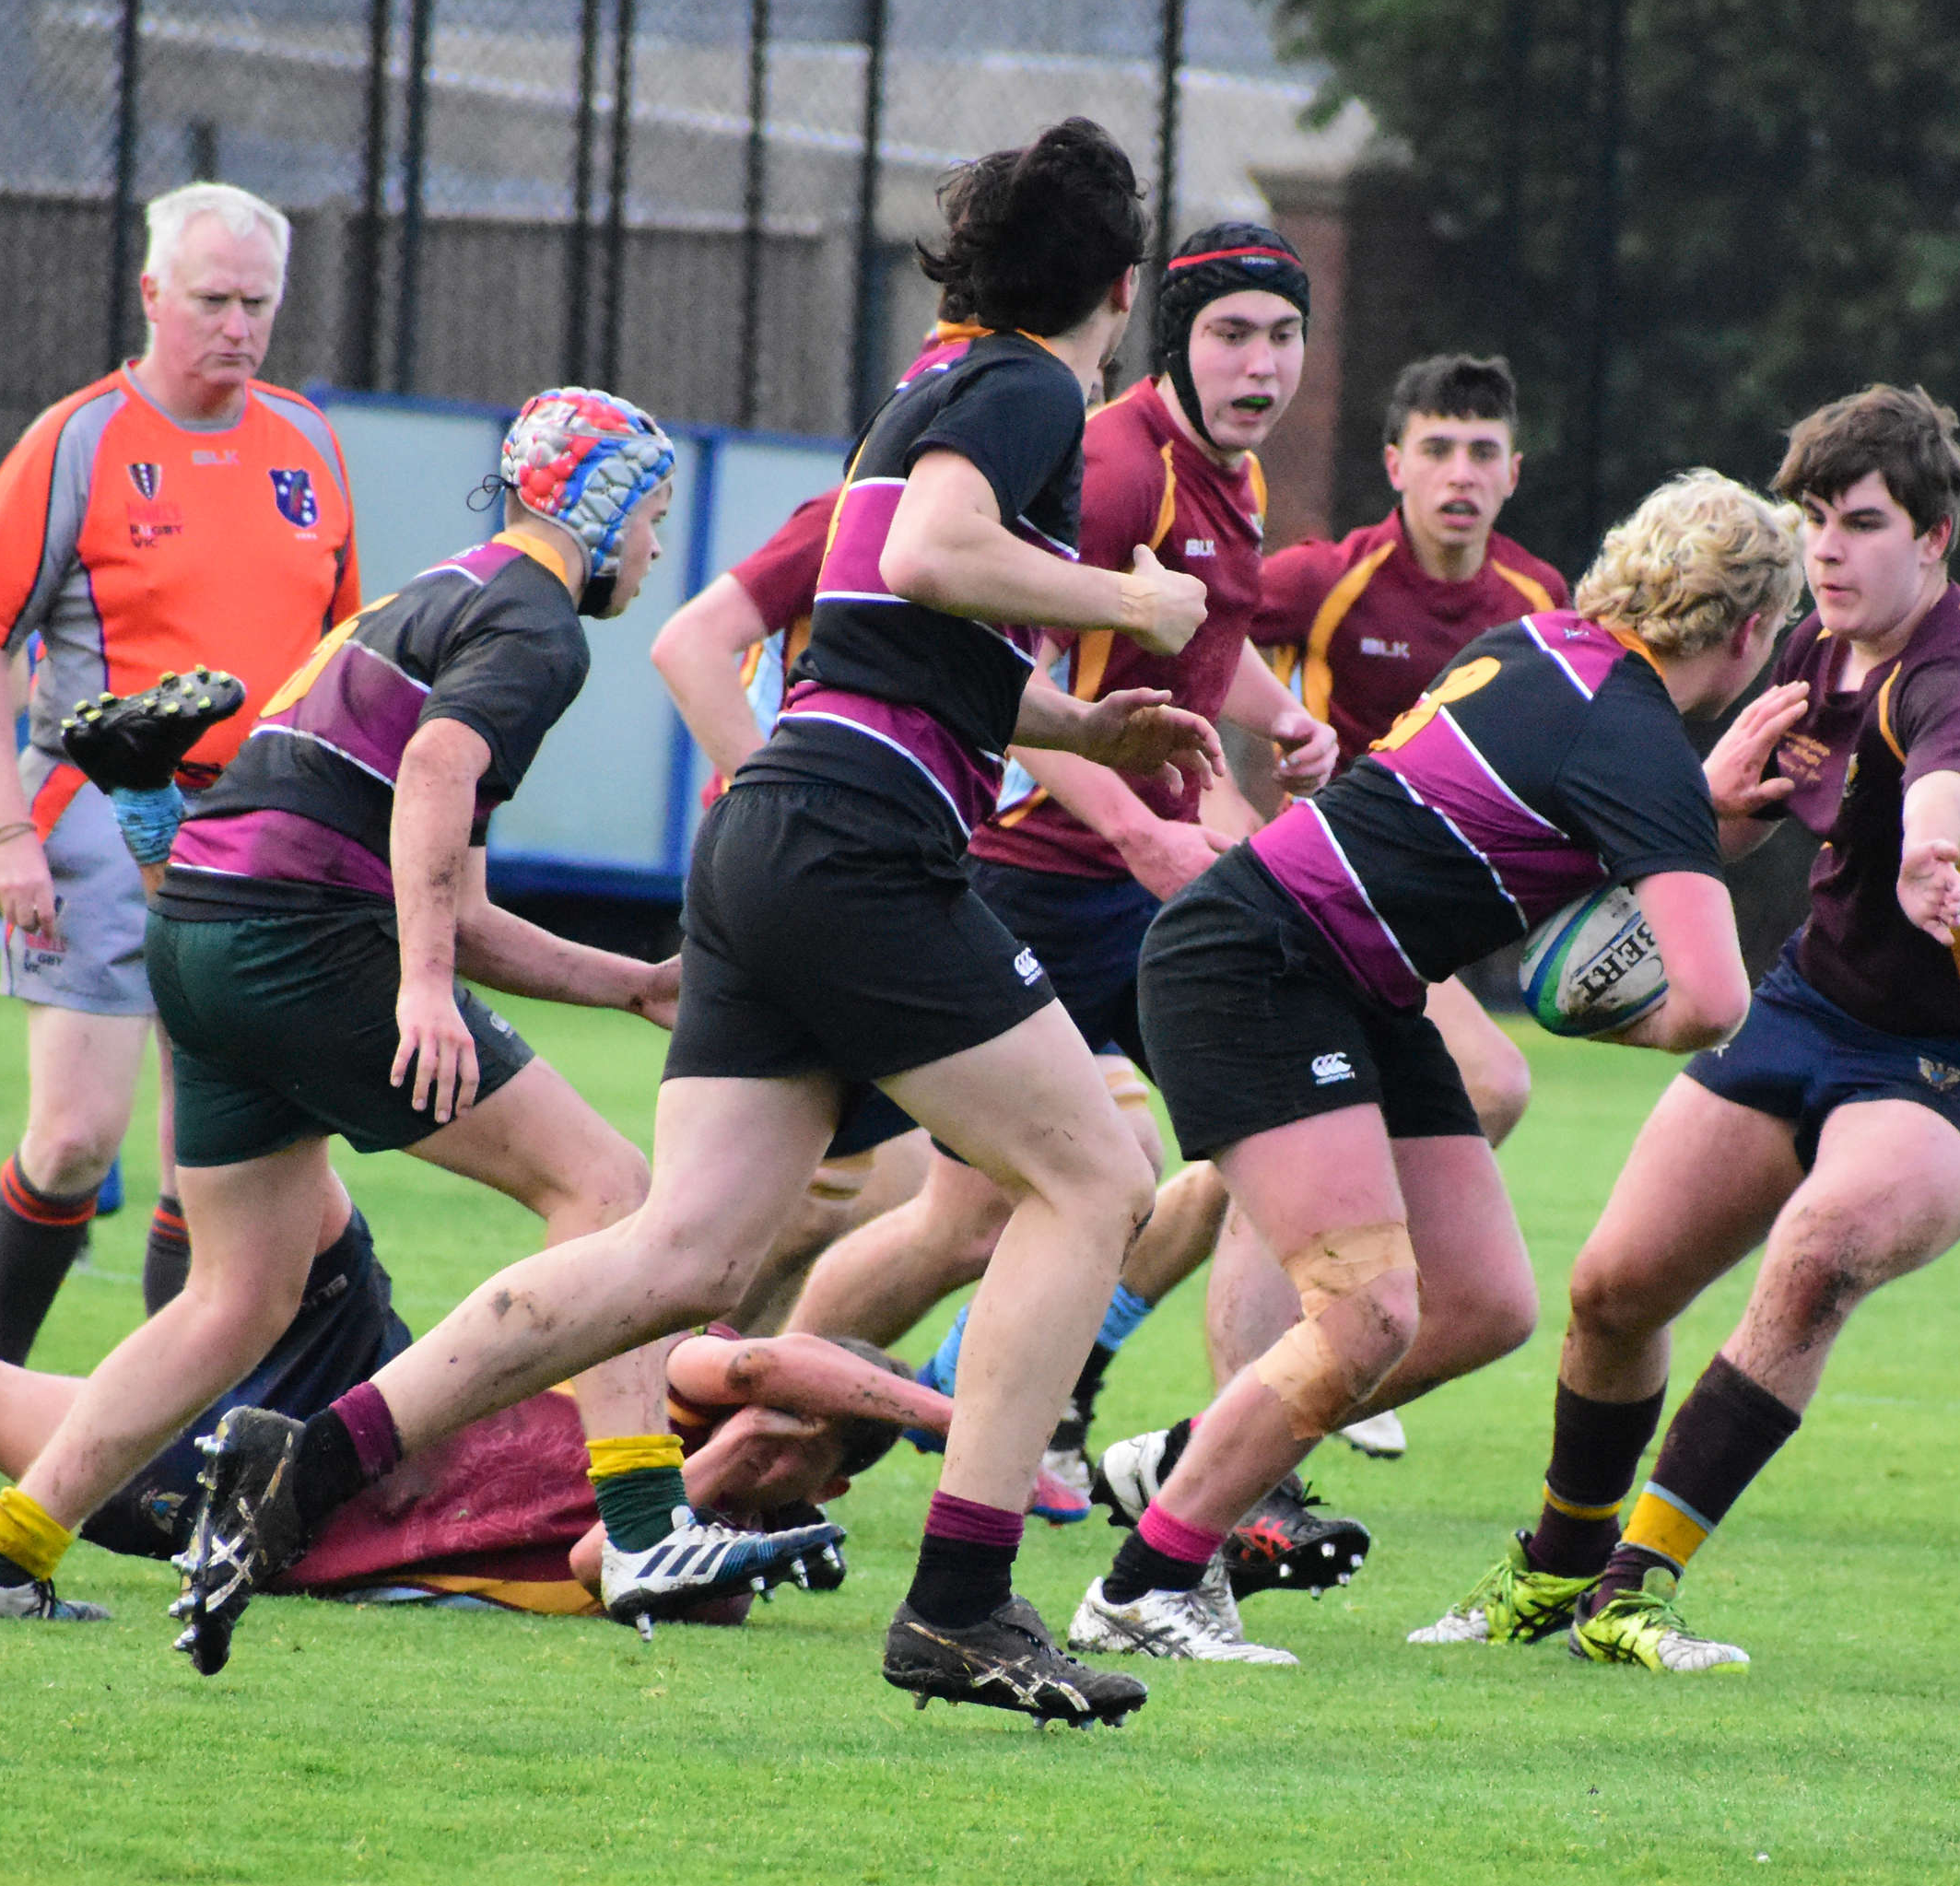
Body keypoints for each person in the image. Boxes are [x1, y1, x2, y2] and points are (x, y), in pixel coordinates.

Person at [175, 119, 1224, 1725]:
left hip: (777, 833)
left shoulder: (925, 396)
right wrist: (1136, 607)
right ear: (1124, 289)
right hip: (862, 843)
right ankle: (961, 1600)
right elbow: (940, 558)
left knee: (683, 1250)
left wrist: (1096, 730)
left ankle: (305, 1463)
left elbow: (901, 627)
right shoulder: (1025, 389)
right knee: (1097, 1177)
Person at [0, 386, 831, 1637]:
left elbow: (447, 885)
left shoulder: (433, 596)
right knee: (614, 1194)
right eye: (654, 516)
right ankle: (638, 1535)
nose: (655, 549)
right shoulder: (538, 626)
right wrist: (418, 987)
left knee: (235, 1299)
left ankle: (0, 1553)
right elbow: (437, 779)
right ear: (604, 502)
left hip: (196, 931)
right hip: (306, 942)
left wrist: (626, 984)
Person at [1067, 469, 1805, 1664]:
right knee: (1368, 1311)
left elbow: (1552, 819)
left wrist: (1693, 814)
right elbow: (1711, 999)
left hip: (1352, 980)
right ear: (1753, 630)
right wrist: (1609, 1012)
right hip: (1260, 964)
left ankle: (1189, 1458)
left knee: (1483, 1305)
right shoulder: (1630, 735)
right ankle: (1144, 1587)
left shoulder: (1546, 650)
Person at [1419, 386, 1960, 1673]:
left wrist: (1930, 853)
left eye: (1865, 523)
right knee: (1614, 1289)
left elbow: (1956, 776)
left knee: (1822, 1251)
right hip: (1812, 1010)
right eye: (1815, 521)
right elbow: (1726, 830)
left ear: (1936, 539)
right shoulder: (1811, 656)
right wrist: (1701, 802)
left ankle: (1636, 1587)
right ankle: (1555, 1574)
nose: (1829, 550)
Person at [777, 223, 1340, 1540]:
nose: (1262, 364)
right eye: (1232, 335)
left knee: (1261, 1148)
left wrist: (1279, 717)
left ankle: (1226, 1477)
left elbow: (1198, 642)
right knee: (958, 1220)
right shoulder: (1111, 458)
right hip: (1036, 872)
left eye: (1284, 336)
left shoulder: (1231, 482)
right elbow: (1020, 664)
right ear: (1160, 326)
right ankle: (776, 1423)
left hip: (1129, 891)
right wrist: (1142, 826)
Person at [0, 180, 361, 1507]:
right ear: (153, 293)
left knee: (211, 1161)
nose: (237, 325)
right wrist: (3, 827)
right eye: (213, 299)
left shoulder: (308, 442)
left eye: (259, 302)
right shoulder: (77, 442)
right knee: (71, 1140)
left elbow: (346, 655)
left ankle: (165, 1438)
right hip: (103, 821)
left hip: (265, 837)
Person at [0, 1217, 943, 1623]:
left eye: (794, 1456)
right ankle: (200, 857)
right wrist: (944, 1412)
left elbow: (597, 1567)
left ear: (814, 1476)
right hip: (354, 1391)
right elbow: (759, 1370)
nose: (762, 1425)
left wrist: (766, 1499)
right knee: (304, 1199)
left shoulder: (691, 1557)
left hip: (246, 1517)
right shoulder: (666, 1383)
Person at [1208, 352, 1567, 1463]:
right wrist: (1221, 811)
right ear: (1394, 464)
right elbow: (1195, 635)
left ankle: (1203, 1387)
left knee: (1243, 1170)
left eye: (1482, 452)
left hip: (1421, 931)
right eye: (1439, 450)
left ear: (1514, 472)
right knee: (1481, 1081)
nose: (1460, 473)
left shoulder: (1540, 603)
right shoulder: (1328, 580)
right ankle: (1280, 1396)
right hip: (1316, 902)